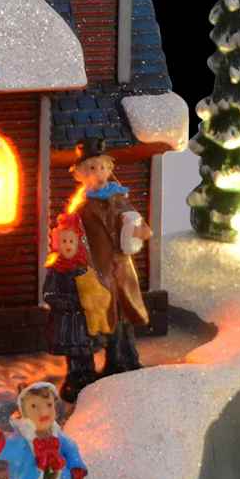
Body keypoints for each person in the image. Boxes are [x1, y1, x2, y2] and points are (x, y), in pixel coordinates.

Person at [71, 138, 152, 375]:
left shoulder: (119, 199)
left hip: (121, 265)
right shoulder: (82, 207)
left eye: (102, 168)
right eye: (92, 169)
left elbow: (139, 224)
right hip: (99, 266)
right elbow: (75, 236)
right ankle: (113, 360)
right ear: (81, 174)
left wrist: (140, 230)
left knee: (125, 311)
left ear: (109, 170)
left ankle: (130, 357)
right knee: (108, 314)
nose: (98, 174)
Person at [43, 214, 105, 403]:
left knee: (86, 350)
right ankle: (75, 378)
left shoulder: (83, 267)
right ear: (57, 244)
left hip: (83, 321)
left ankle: (89, 375)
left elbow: (95, 289)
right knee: (73, 353)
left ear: (78, 243)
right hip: (67, 322)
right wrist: (66, 303)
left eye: (71, 241)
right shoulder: (56, 270)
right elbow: (49, 294)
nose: (68, 245)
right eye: (64, 241)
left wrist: (93, 299)